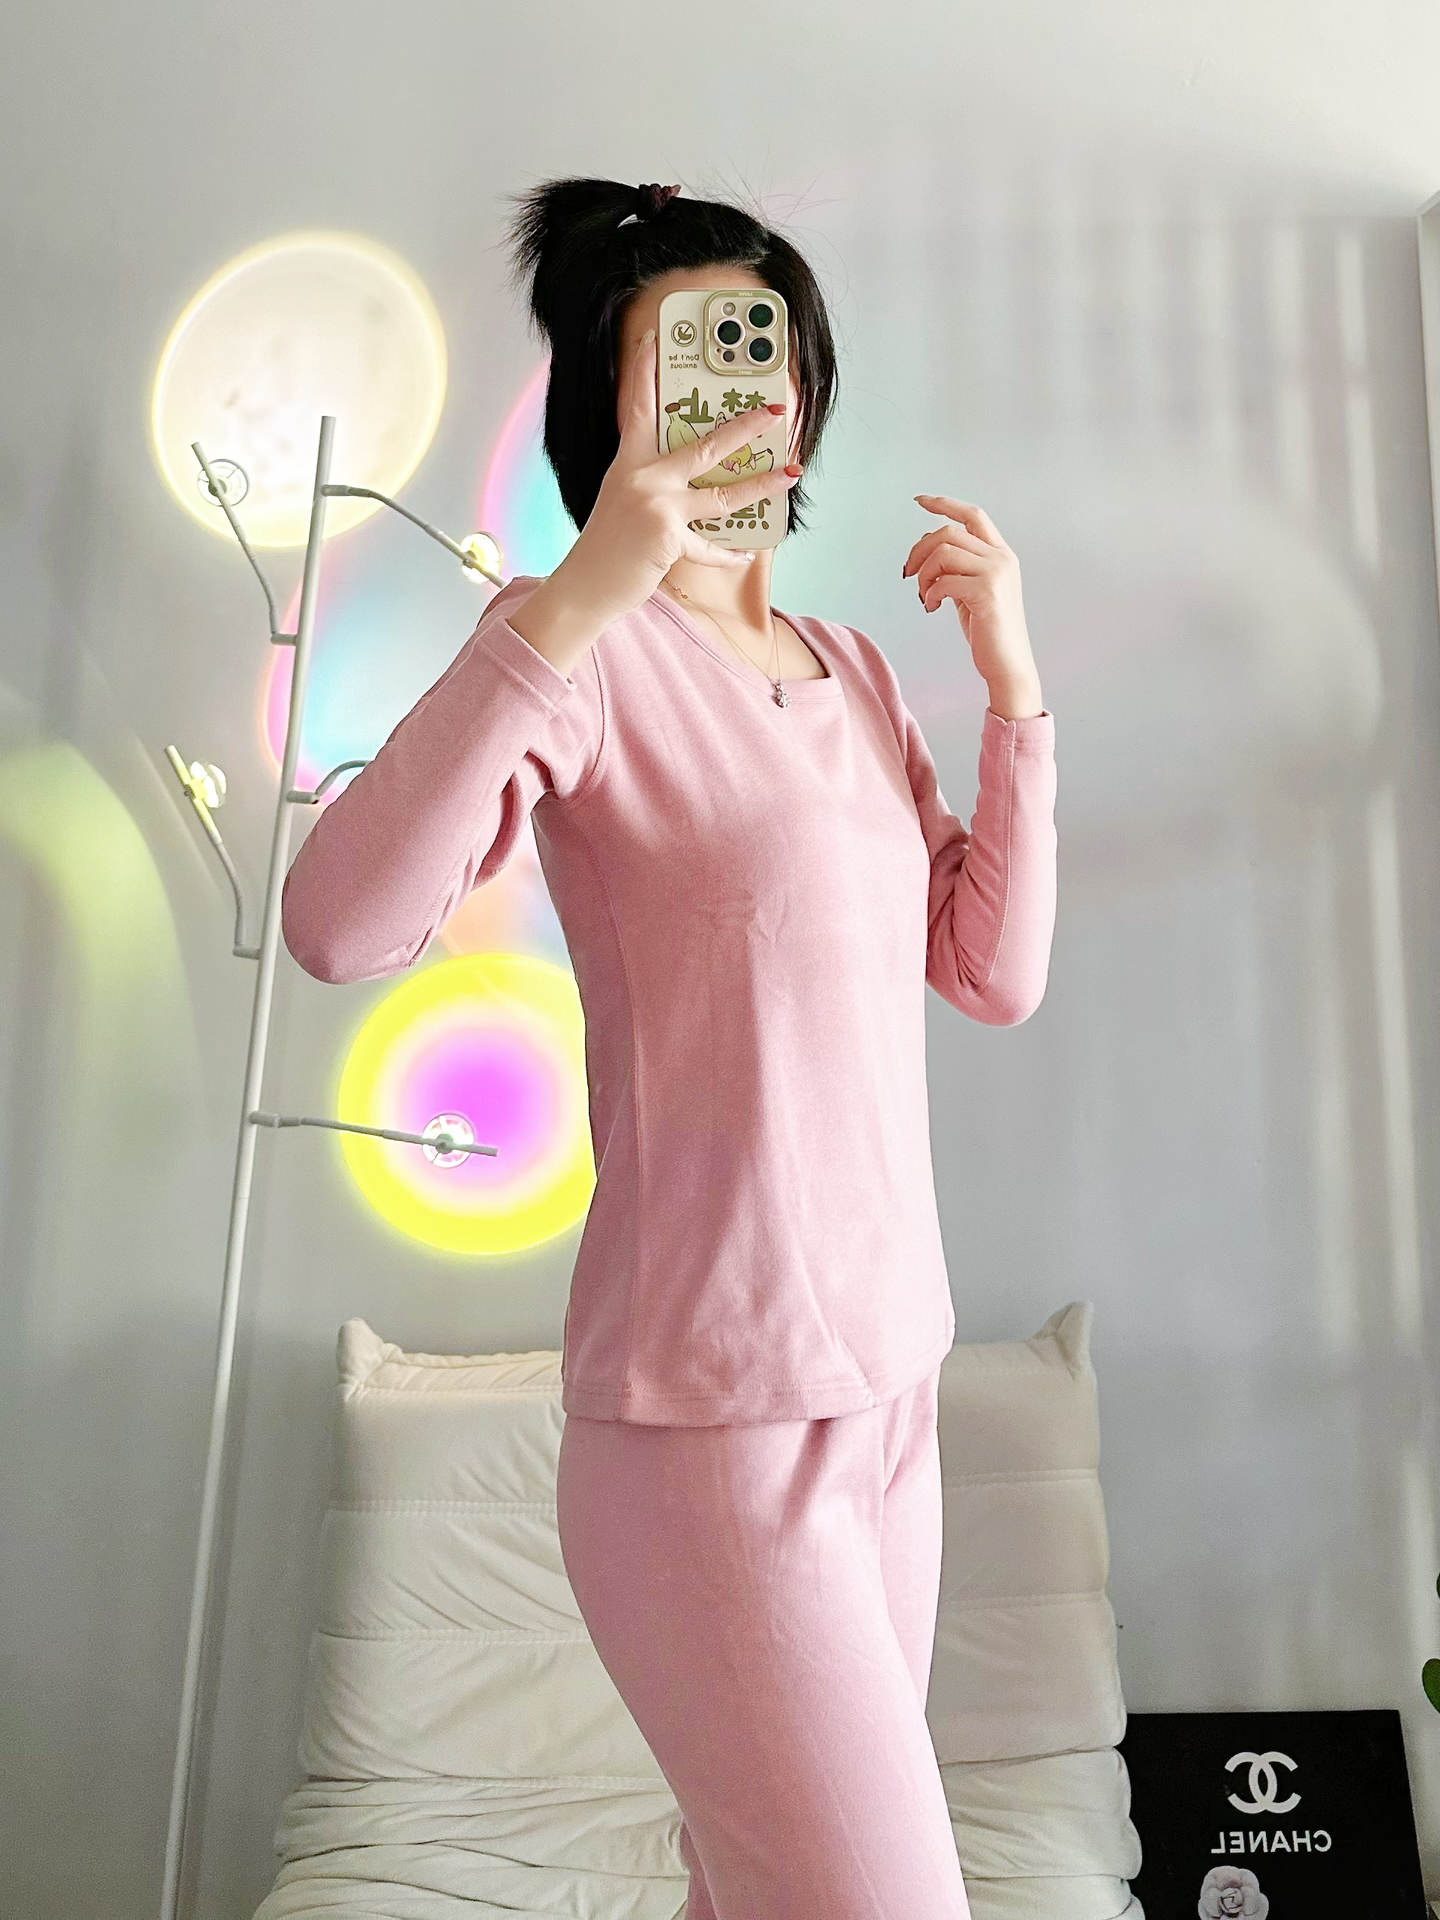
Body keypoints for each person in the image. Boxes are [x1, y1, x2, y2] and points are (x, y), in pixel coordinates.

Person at [281, 177, 1058, 1920]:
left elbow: (991, 970)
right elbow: (340, 923)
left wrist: (1013, 690)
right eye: (687, 367)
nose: (739, 397)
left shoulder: (855, 670)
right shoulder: (577, 656)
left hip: (893, 1399)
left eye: (761, 355)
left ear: (805, 395)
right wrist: (576, 596)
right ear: (609, 420)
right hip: (708, 1435)